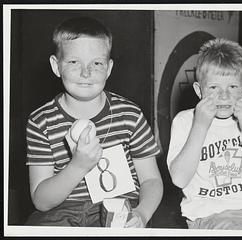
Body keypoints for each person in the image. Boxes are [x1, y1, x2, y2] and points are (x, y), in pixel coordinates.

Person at [25, 16, 163, 227]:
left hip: (121, 208)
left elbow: (151, 180)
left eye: (97, 63)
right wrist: (78, 166)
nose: (86, 72)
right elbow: (41, 202)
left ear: (108, 68)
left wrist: (142, 214)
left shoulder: (130, 114)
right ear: (56, 66)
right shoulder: (41, 121)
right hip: (61, 213)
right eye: (73, 62)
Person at [167, 38, 242, 230]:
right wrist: (201, 126)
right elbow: (179, 179)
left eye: (233, 87)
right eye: (213, 88)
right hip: (209, 216)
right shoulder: (185, 120)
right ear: (199, 90)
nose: (224, 96)